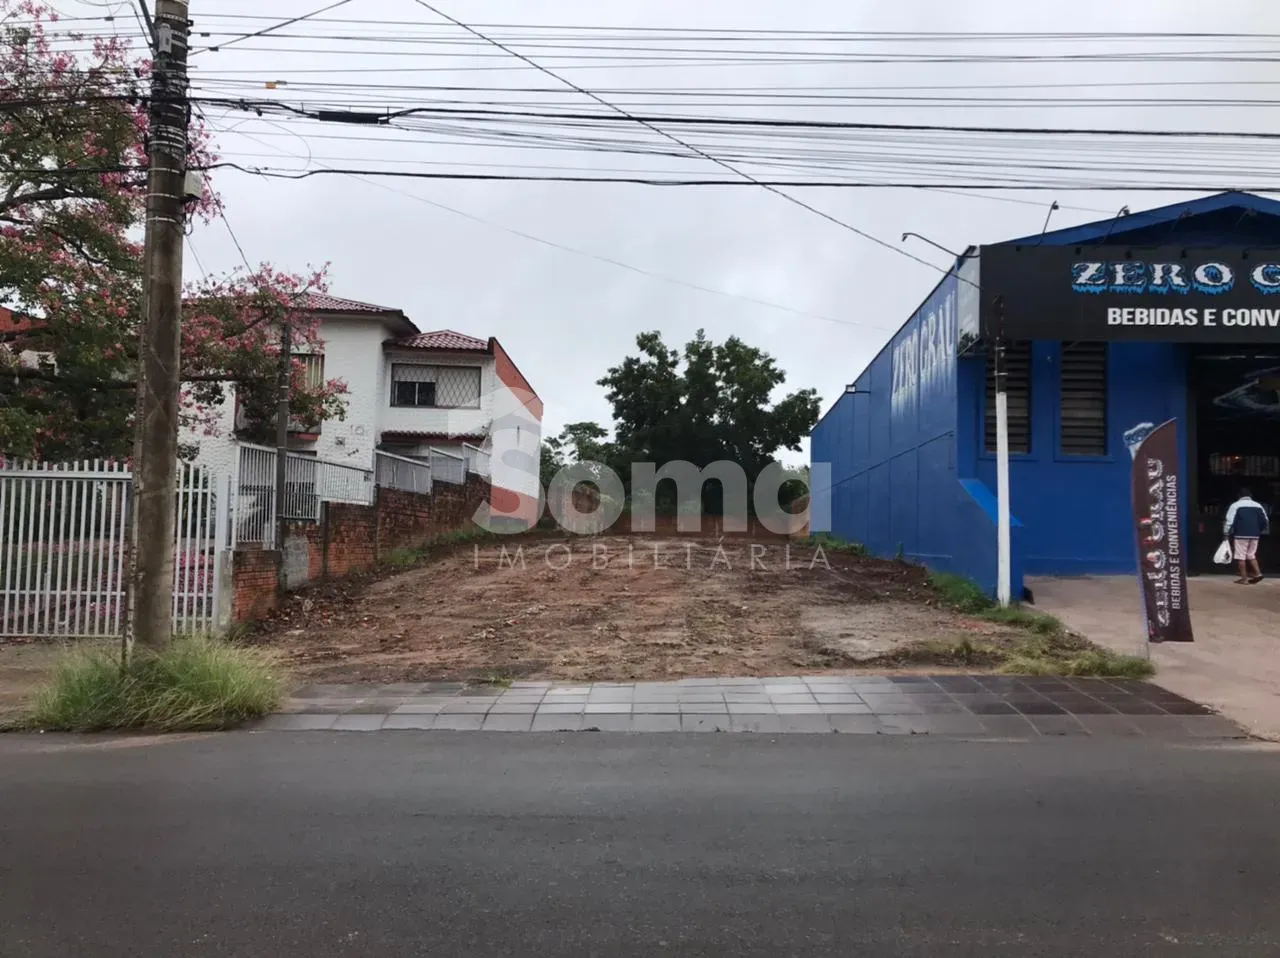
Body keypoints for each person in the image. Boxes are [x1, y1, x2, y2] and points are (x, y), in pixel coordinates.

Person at [1225, 488, 1270, 585]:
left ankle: (1244, 579)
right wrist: (1258, 530)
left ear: (1239, 496)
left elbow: (1229, 521)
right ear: (1250, 496)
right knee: (1251, 555)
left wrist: (1226, 533)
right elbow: (1265, 520)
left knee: (1241, 556)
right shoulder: (1258, 505)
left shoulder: (1235, 505)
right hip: (1255, 534)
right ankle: (1258, 573)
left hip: (1241, 534)